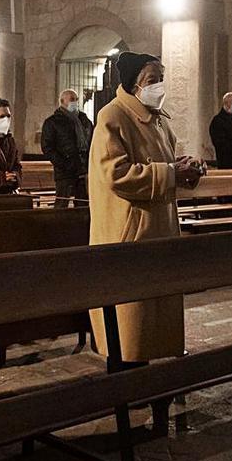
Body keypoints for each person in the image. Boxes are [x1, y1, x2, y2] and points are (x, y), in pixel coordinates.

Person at [88, 51, 204, 364]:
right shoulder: (112, 117)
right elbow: (115, 174)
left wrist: (183, 167)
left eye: (161, 79)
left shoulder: (160, 121)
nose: (159, 87)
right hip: (130, 231)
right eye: (152, 81)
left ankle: (153, 379)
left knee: (156, 314)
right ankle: (127, 382)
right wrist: (169, 173)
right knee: (131, 321)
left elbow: (162, 164)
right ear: (132, 84)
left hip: (159, 228)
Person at [40, 89, 93, 208]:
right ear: (62, 101)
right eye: (72, 99)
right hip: (65, 171)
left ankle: (81, 225)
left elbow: (92, 140)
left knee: (83, 203)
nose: (75, 102)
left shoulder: (84, 121)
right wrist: (63, 163)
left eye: (76, 99)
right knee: (62, 203)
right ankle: (58, 225)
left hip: (83, 169)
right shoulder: (53, 122)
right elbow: (47, 147)